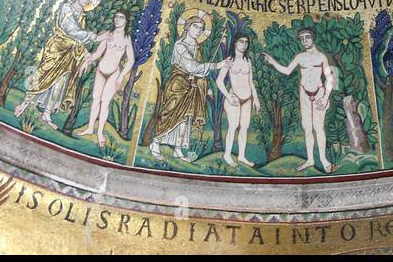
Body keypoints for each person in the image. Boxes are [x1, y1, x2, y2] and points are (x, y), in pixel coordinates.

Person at [14, 0, 100, 129]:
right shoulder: (66, 8)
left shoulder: (82, 16)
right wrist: (94, 36)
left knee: (60, 84)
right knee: (43, 77)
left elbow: (77, 40)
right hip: (56, 49)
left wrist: (85, 53)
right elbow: (71, 30)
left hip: (69, 56)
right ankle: (24, 104)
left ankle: (47, 113)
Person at [264, 27, 336, 172]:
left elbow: (329, 78)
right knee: (307, 128)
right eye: (302, 38)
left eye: (307, 37)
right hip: (304, 94)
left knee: (319, 128)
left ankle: (324, 160)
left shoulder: (321, 57)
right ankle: (310, 160)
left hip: (319, 95)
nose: (304, 41)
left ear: (313, 37)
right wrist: (273, 63)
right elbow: (287, 70)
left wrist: (325, 97)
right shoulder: (300, 57)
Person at [150, 13, 218, 161]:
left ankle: (178, 149)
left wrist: (207, 88)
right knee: (169, 113)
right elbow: (191, 66)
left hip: (192, 86)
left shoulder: (197, 47)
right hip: (178, 83)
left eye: (201, 28)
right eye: (195, 26)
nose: (198, 30)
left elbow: (199, 70)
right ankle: (155, 143)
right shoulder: (180, 45)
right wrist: (215, 65)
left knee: (185, 119)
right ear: (187, 27)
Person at [76, 9, 135, 148]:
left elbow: (131, 60)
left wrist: (121, 77)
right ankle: (90, 128)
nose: (117, 20)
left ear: (126, 21)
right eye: (116, 17)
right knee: (96, 99)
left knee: (105, 102)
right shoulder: (108, 35)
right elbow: (98, 53)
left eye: (121, 17)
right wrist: (87, 60)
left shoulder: (127, 39)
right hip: (101, 70)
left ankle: (100, 133)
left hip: (114, 73)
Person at [216, 34, 259, 167]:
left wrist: (256, 98)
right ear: (235, 43)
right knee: (233, 127)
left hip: (247, 99)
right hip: (233, 98)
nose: (244, 44)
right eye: (241, 41)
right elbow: (219, 81)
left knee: (244, 128)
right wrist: (228, 96)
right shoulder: (229, 60)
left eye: (246, 42)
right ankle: (227, 155)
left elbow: (251, 81)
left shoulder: (248, 61)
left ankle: (241, 156)